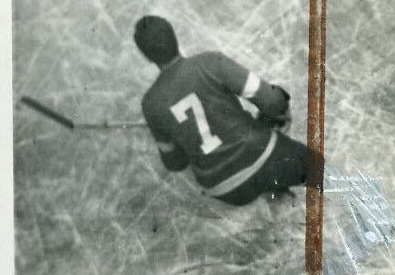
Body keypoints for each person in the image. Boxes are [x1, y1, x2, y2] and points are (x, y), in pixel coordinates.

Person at [135, 15, 316, 206]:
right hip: (265, 159)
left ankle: (271, 191)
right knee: (318, 168)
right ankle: (277, 179)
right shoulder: (211, 62)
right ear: (174, 36)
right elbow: (272, 101)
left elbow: (175, 163)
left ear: (146, 55)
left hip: (227, 190)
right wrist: (279, 104)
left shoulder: (150, 104)